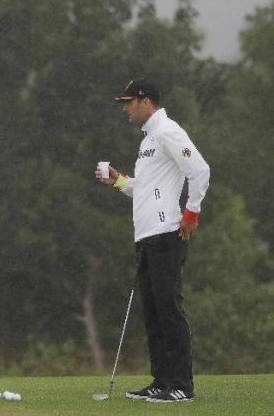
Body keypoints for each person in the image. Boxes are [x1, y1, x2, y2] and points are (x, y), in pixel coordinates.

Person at [96, 79, 210, 403]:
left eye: (129, 102)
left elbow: (200, 171)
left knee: (169, 309)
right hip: (146, 237)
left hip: (165, 235)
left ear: (146, 102)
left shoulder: (167, 131)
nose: (125, 108)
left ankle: (181, 386)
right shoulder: (148, 140)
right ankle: (162, 381)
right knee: (154, 313)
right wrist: (117, 181)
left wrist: (191, 214)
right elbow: (142, 189)